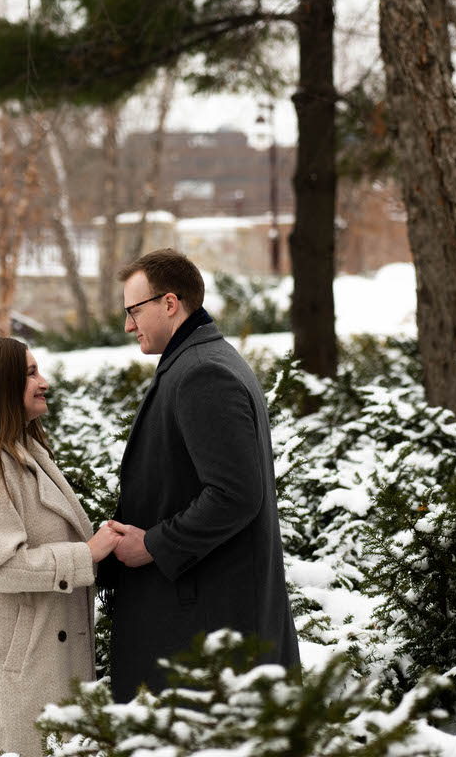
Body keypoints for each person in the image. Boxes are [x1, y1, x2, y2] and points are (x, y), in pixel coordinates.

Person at [102, 248, 299, 702]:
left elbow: (235, 495)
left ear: (170, 304)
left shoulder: (202, 372)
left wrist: (152, 544)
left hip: (208, 628)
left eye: (134, 311)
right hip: (208, 622)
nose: (128, 325)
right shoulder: (199, 360)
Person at [0, 337, 122, 757]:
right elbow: (0, 566)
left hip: (39, 663)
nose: (44, 382)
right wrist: (87, 555)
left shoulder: (22, 450)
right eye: (30, 374)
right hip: (13, 679)